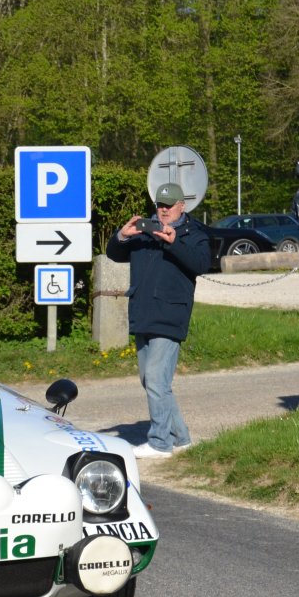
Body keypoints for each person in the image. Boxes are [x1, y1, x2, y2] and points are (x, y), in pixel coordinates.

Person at [105, 181, 210, 459]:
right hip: (143, 312)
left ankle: (160, 442)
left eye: (169, 206)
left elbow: (201, 263)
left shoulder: (193, 233)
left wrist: (174, 242)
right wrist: (123, 236)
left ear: (181, 206)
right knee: (152, 380)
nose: (163, 211)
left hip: (171, 314)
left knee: (155, 379)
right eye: (160, 206)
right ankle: (181, 437)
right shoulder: (145, 230)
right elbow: (114, 254)